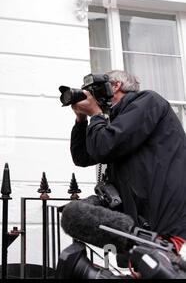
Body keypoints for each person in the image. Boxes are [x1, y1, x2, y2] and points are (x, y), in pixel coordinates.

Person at [70, 70, 186, 239]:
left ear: (116, 86)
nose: (91, 95)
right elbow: (82, 157)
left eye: (95, 89)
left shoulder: (147, 101)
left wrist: (96, 115)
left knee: (166, 263)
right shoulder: (117, 118)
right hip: (142, 215)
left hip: (162, 215)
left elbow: (104, 147)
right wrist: (81, 120)